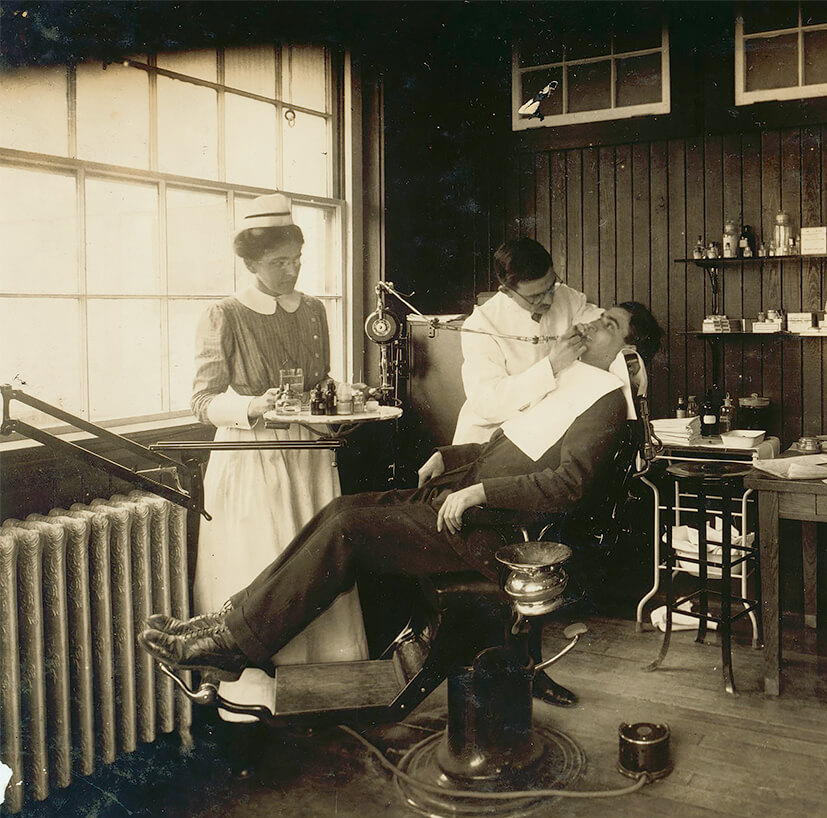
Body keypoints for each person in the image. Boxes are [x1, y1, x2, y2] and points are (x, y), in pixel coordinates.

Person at [141, 302, 663, 707]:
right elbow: (508, 447)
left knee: (348, 530)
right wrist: (449, 454)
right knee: (340, 510)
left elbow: (567, 486)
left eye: (608, 325)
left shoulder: (606, 402)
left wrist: (480, 491)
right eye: (597, 315)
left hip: (499, 532)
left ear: (627, 352)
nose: (591, 322)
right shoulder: (571, 380)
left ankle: (234, 642)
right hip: (463, 498)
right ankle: (227, 625)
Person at [190, 193, 368, 720]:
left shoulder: (312, 310)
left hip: (309, 454)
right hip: (254, 458)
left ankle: (326, 680)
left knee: (319, 561)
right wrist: (253, 406)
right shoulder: (222, 315)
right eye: (278, 264)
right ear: (250, 263)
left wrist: (342, 401)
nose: (290, 271)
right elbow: (203, 402)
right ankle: (247, 688)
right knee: (261, 561)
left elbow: (318, 387)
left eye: (296, 260)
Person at [453, 237, 604, 444]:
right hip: (494, 435)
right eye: (535, 297)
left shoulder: (568, 298)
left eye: (551, 287)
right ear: (507, 291)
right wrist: (551, 366)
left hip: (552, 426)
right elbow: (488, 403)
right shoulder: (481, 325)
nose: (549, 300)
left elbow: (601, 325)